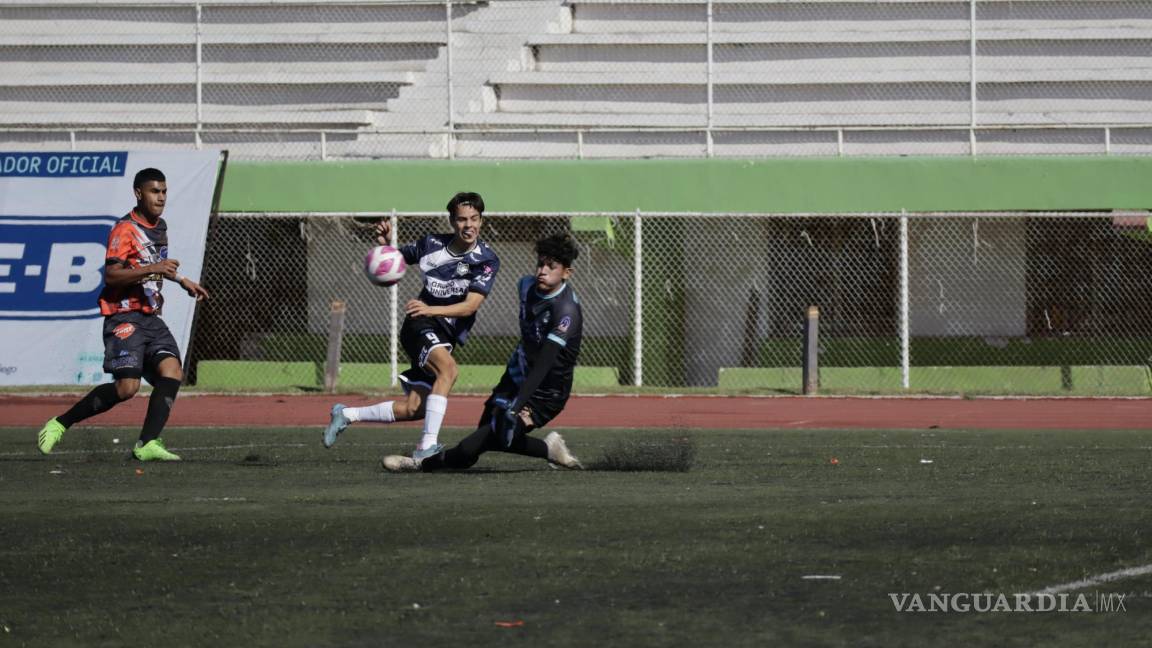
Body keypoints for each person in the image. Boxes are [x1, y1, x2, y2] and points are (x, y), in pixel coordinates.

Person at [37, 167, 210, 461]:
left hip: (150, 318)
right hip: (124, 317)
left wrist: (182, 281)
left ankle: (147, 444)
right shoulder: (123, 229)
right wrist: (153, 269)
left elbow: (155, 263)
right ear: (138, 193)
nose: (161, 197)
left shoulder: (160, 226)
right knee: (127, 388)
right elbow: (113, 276)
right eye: (155, 191)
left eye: (164, 191)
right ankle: (60, 423)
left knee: (173, 372)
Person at [382, 233, 584, 473]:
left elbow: (544, 364)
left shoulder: (566, 311)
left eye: (551, 267)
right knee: (491, 436)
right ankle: (549, 450)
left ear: (567, 273)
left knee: (473, 447)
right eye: (540, 263)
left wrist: (516, 406)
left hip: (545, 392)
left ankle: (420, 464)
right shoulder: (526, 286)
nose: (542, 270)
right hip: (515, 378)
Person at [323, 192, 500, 460]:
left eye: (474, 219)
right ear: (452, 221)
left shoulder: (487, 260)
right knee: (449, 370)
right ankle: (426, 446)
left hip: (444, 333)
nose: (469, 225)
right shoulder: (431, 244)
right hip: (420, 324)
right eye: (462, 220)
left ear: (481, 221)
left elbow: (470, 306)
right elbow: (395, 260)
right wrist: (384, 244)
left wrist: (432, 307)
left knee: (416, 408)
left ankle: (347, 414)